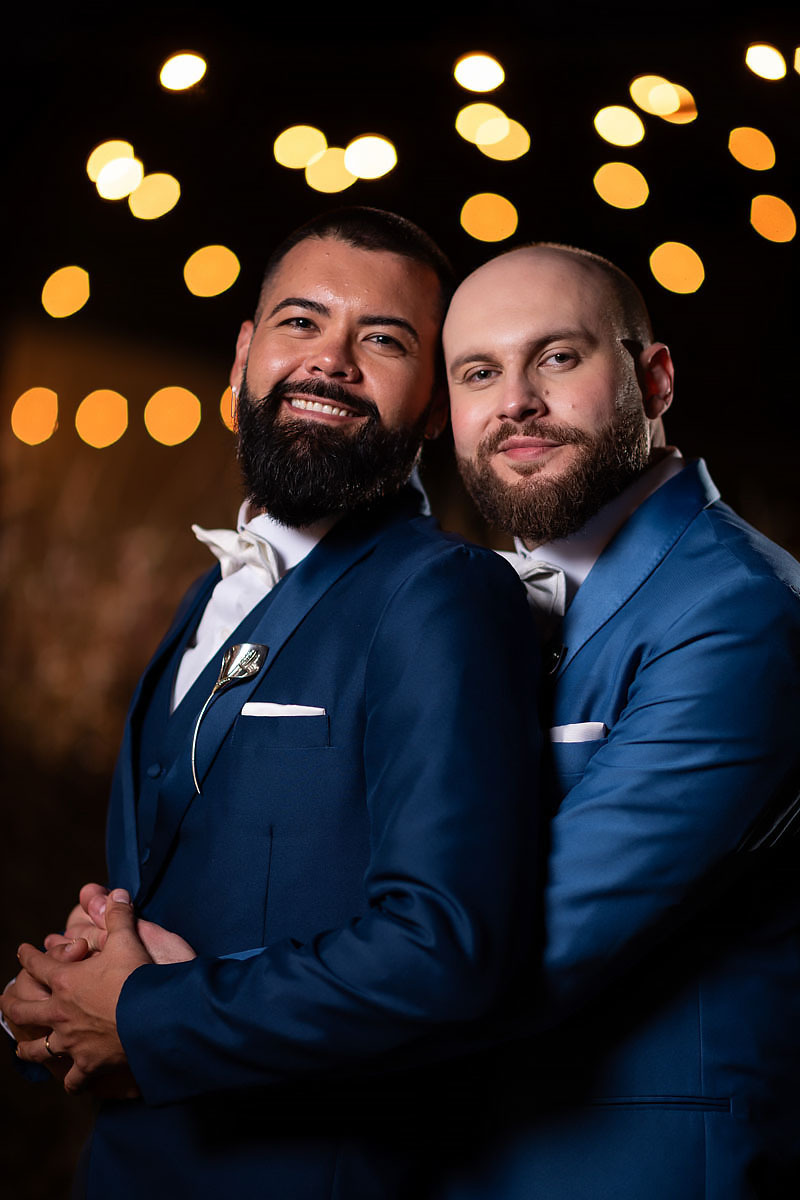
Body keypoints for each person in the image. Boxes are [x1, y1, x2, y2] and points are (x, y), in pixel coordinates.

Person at [2, 208, 541, 1199]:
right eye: (301, 323)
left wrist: (144, 1014)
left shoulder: (443, 595)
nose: (329, 359)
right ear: (245, 356)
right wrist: (64, 991)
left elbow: (442, 951)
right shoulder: (207, 594)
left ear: (433, 406)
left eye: (381, 340)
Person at [441, 243, 800, 1198]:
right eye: (479, 371)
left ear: (656, 378)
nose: (515, 398)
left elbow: (523, 946)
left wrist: (169, 1006)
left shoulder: (736, 612)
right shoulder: (462, 604)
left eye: (557, 357)